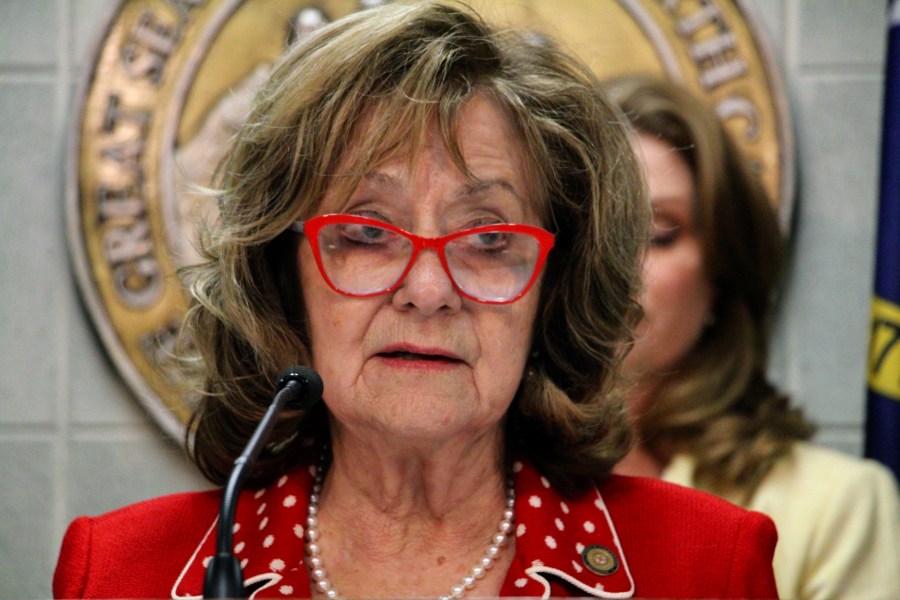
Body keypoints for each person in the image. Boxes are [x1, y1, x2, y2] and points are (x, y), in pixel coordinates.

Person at [53, 5, 779, 599]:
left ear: (553, 289)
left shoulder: (707, 566)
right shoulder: (119, 572)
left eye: (489, 238)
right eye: (368, 232)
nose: (428, 291)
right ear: (284, 275)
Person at [606, 74, 900, 600]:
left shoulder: (835, 507)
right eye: (592, 229)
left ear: (723, 269)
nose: (616, 266)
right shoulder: (473, 474)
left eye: (658, 234)